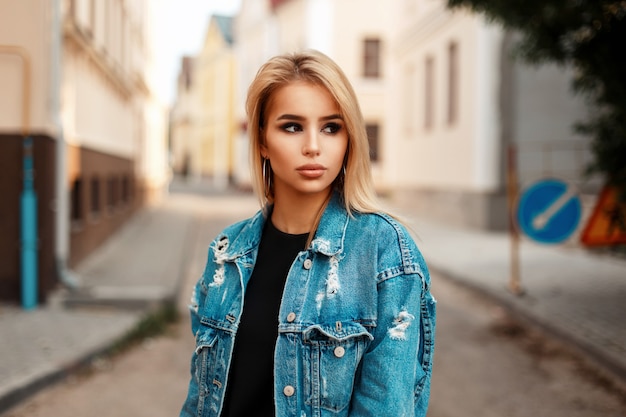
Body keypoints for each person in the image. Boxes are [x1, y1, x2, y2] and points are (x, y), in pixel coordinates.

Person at [180, 50, 436, 417]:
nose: (313, 146)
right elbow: (200, 399)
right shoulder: (226, 253)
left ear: (349, 140)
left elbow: (387, 408)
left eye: (331, 127)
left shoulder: (383, 252)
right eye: (292, 126)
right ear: (263, 142)